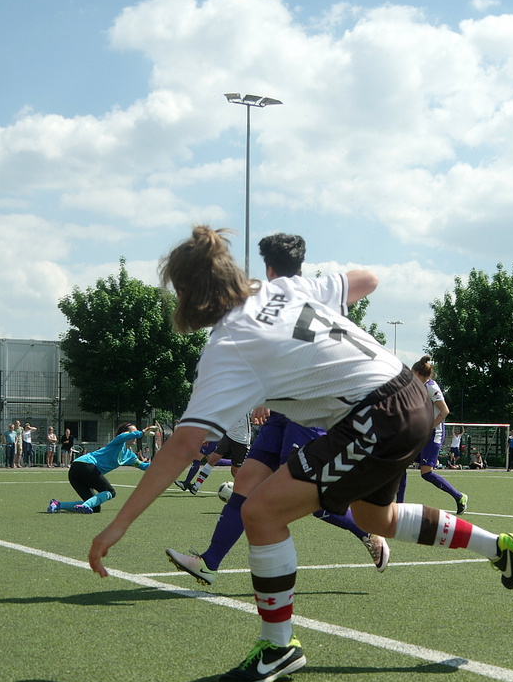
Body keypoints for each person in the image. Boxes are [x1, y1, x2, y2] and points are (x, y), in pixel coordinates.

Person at [91, 226, 513, 682]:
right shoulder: (286, 287)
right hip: (409, 395)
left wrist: (119, 524)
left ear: (191, 295)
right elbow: (368, 280)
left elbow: (183, 446)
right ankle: (500, 547)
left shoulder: (229, 344)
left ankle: (278, 648)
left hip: (376, 414)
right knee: (374, 517)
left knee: (261, 511)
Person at [165, 233, 391, 581]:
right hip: (286, 412)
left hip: (312, 409)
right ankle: (208, 562)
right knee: (247, 482)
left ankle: (366, 532)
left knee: (303, 499)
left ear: (268, 269)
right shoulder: (275, 302)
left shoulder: (302, 295)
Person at [397, 357, 467, 513]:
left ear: (417, 373)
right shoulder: (417, 387)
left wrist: (429, 427)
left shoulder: (430, 386)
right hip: (422, 433)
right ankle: (398, 507)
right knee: (401, 463)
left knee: (426, 472)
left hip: (433, 434)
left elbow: (444, 411)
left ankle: (459, 496)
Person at [49, 423, 158, 513]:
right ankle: (84, 506)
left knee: (95, 507)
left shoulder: (129, 456)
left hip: (78, 471)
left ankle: (58, 504)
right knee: (110, 492)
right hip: (85, 465)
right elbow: (123, 436)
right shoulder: (118, 442)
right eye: (132, 432)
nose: (134, 435)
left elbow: (143, 466)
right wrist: (142, 432)